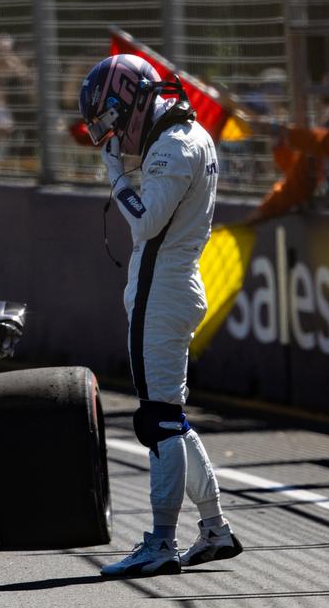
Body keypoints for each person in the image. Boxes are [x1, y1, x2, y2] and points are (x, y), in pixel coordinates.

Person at [77, 54, 242, 577]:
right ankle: (214, 527)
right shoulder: (188, 137)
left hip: (162, 289)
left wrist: (114, 175)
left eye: (110, 121)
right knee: (171, 416)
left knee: (158, 420)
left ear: (130, 101)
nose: (113, 137)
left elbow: (146, 221)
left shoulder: (172, 146)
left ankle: (161, 541)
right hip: (172, 284)